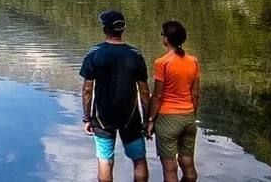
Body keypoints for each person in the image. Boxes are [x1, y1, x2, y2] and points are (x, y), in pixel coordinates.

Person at [80, 10, 151, 182]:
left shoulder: (94, 53)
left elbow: (87, 90)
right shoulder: (135, 54)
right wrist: (147, 119)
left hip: (102, 117)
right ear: (122, 29)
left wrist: (87, 118)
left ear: (105, 29)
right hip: (130, 117)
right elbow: (144, 91)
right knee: (139, 159)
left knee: (105, 161)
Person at [148, 20, 201, 182]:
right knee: (188, 164)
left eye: (162, 34)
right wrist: (192, 114)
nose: (162, 37)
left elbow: (157, 95)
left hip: (168, 118)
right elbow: (195, 93)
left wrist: (150, 120)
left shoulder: (162, 63)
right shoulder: (193, 61)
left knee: (170, 169)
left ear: (167, 39)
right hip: (188, 117)